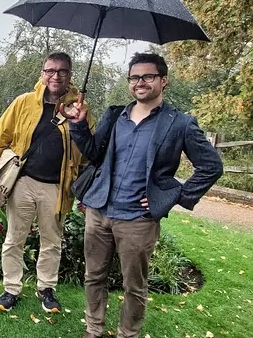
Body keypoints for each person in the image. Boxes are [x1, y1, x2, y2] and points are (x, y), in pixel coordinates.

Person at [66, 52, 223, 338]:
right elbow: (93, 153)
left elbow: (211, 166)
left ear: (163, 81)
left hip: (138, 219)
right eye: (134, 77)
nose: (140, 82)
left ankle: (128, 334)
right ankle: (93, 329)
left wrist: (172, 196)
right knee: (93, 277)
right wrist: (77, 123)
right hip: (100, 212)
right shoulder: (116, 116)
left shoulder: (179, 124)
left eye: (147, 76)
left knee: (134, 286)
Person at [0, 52, 91, 313]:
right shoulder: (24, 102)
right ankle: (11, 288)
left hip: (57, 187)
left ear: (70, 75)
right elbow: (0, 137)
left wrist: (78, 122)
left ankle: (46, 288)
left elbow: (87, 153)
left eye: (62, 71)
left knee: (52, 241)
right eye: (50, 70)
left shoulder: (80, 109)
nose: (56, 76)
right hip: (23, 181)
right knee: (14, 239)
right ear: (42, 73)